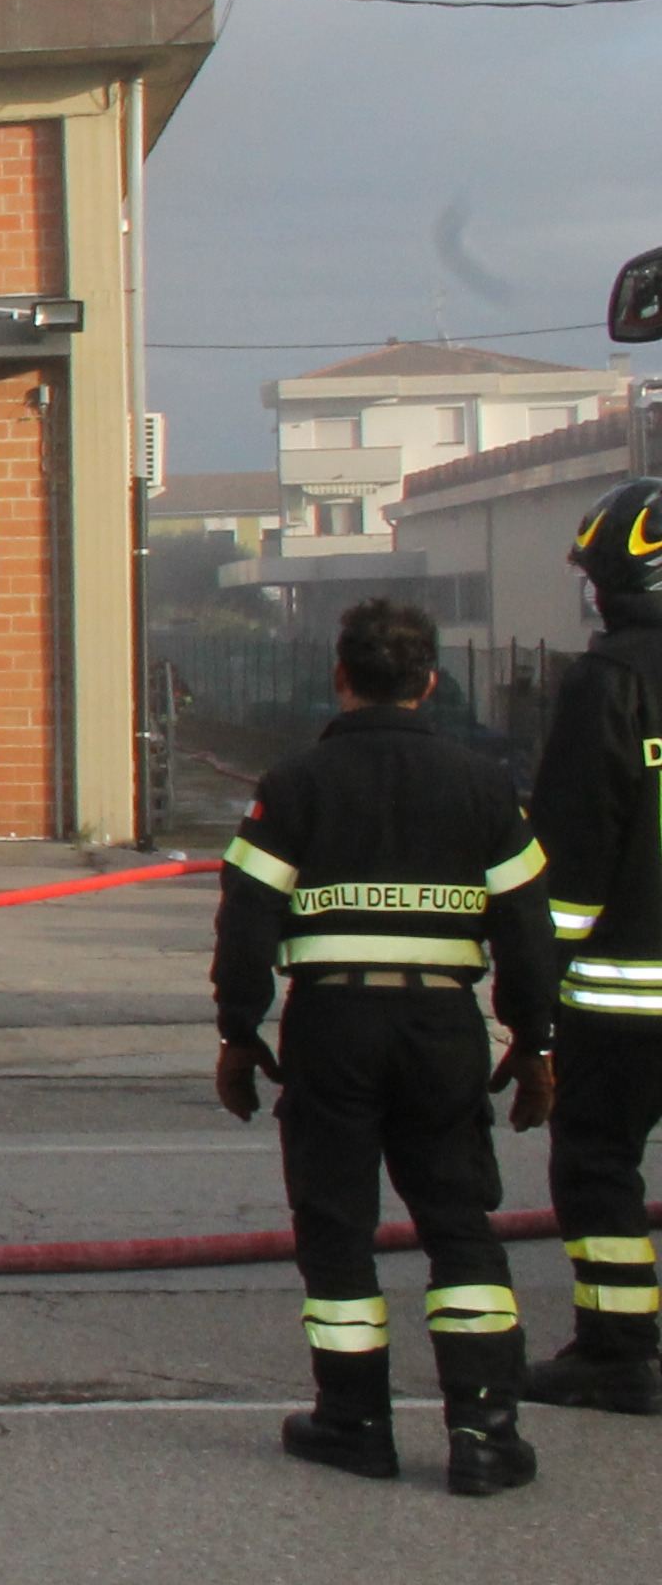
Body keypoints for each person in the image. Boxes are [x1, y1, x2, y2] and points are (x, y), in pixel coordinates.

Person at [211, 596, 558, 1495]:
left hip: (331, 1029)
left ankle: (353, 1421)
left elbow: (247, 919)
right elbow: (527, 926)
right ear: (430, 683)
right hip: (442, 1031)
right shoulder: (484, 787)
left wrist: (239, 1033)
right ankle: (486, 1433)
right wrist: (533, 1041)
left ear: (341, 677)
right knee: (459, 1225)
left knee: (336, 1229)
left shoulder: (294, 786)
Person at [526, 473, 662, 1414]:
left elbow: (573, 853)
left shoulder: (609, 682)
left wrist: (536, 990)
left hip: (627, 997)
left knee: (599, 1161)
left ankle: (618, 1351)